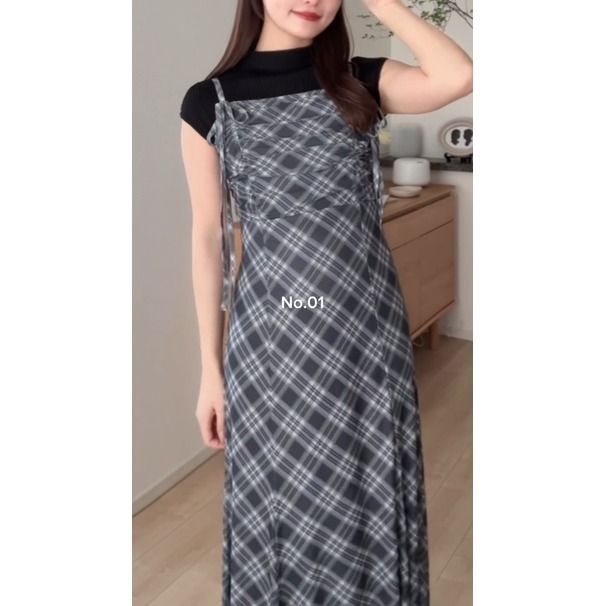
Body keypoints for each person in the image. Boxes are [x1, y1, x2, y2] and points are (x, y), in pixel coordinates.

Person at [179, 1, 472, 604]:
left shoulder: (360, 79)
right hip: (271, 350)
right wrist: (211, 370)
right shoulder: (210, 102)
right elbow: (207, 237)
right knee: (281, 504)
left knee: (373, 493)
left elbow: (458, 76)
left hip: (368, 342)